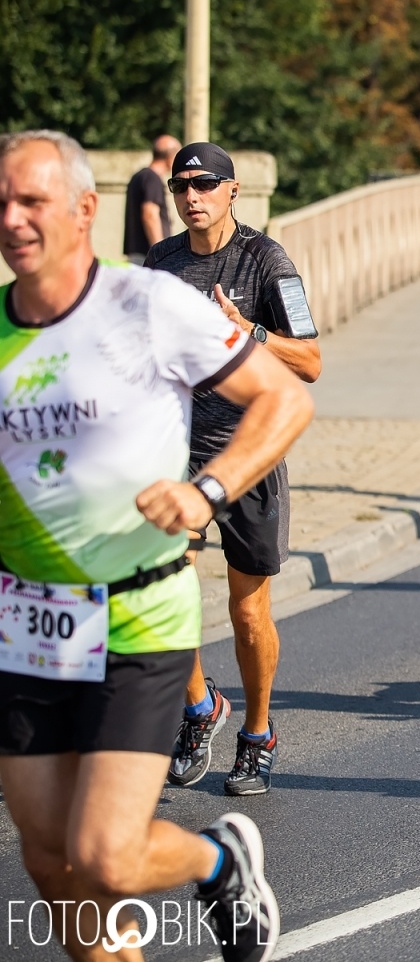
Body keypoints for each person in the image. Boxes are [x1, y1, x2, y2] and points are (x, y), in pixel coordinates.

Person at [0, 129, 314, 961]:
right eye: (2, 201)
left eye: (31, 200)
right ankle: (205, 721)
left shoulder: (159, 296)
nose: (13, 219)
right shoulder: (15, 329)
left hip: (147, 594)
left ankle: (224, 836)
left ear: (84, 210)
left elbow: (292, 386)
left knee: (105, 850)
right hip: (29, 624)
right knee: (49, 856)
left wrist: (206, 488)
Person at [144, 142, 322, 798]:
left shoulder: (266, 260)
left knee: (247, 610)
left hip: (249, 450)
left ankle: (257, 732)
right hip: (177, 453)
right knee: (166, 594)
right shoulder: (160, 263)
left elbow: (311, 361)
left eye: (204, 184)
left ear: (232, 190)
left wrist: (250, 333)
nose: (192, 197)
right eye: (180, 186)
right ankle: (198, 710)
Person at [123, 134, 180, 260]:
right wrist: (160, 253)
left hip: (138, 254)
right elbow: (150, 214)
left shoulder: (139, 176)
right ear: (171, 157)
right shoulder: (152, 178)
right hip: (148, 257)